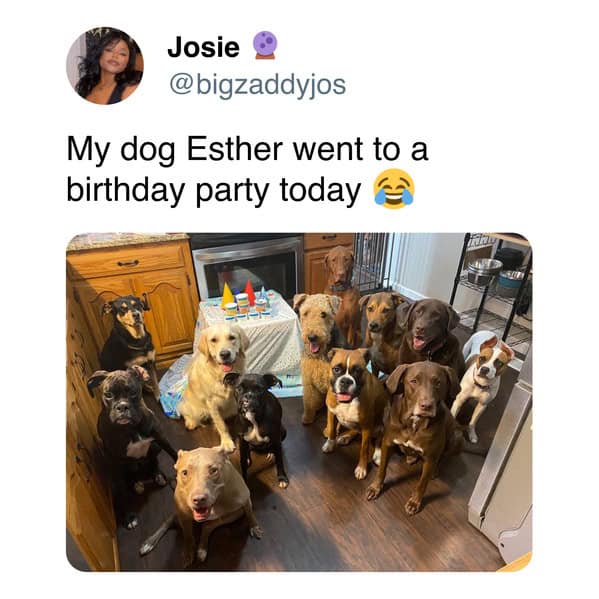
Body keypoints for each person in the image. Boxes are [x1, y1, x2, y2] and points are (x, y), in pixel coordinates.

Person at [76, 30, 142, 104]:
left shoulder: (131, 89)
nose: (115, 55)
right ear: (99, 54)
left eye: (122, 53)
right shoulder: (87, 86)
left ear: (128, 62)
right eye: (109, 50)